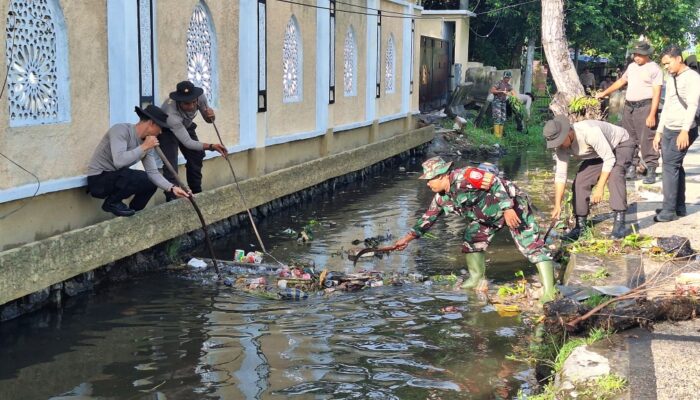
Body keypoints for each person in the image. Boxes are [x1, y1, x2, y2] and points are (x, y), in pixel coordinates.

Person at [393, 157, 557, 303]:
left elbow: (494, 181)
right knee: (472, 238)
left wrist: (508, 208)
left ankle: (549, 291)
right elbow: (427, 219)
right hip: (487, 216)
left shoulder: (467, 176)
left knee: (530, 245)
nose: (428, 184)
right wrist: (406, 240)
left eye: (430, 180)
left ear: (441, 175)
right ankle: (476, 278)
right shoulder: (442, 198)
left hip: (512, 206)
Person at [87, 105, 190, 217]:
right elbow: (119, 161)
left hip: (116, 178)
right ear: (151, 123)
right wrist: (144, 146)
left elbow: (153, 173)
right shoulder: (120, 130)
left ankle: (134, 213)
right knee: (137, 176)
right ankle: (111, 203)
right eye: (160, 127)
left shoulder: (147, 143)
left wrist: (172, 188)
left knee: (150, 183)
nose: (160, 132)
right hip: (98, 181)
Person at [543, 116, 634, 240]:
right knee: (580, 181)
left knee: (615, 175)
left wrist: (600, 187)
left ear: (569, 132)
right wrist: (557, 205)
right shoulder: (561, 147)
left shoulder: (589, 132)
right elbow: (560, 175)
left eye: (559, 141)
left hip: (620, 145)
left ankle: (620, 224)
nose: (558, 145)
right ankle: (580, 227)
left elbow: (609, 159)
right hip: (598, 153)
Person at [596, 41, 663, 184]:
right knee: (629, 138)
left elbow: (657, 93)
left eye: (640, 55)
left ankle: (651, 168)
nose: (636, 57)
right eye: (635, 55)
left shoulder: (654, 69)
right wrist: (604, 93)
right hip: (629, 107)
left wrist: (652, 114)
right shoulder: (632, 67)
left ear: (647, 55)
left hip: (645, 106)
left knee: (647, 138)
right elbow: (621, 81)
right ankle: (631, 166)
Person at [652, 45, 700, 222]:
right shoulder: (671, 77)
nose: (666, 67)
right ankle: (678, 207)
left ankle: (669, 210)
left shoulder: (693, 78)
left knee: (670, 166)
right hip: (669, 128)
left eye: (668, 63)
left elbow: (693, 105)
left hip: (684, 129)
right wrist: (659, 131)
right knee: (674, 166)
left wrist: (685, 130)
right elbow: (668, 106)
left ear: (678, 59)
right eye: (664, 64)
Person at [159, 81, 227, 201]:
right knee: (170, 165)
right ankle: (172, 198)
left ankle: (196, 193)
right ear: (179, 101)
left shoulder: (199, 97)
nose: (191, 106)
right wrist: (212, 146)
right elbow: (188, 143)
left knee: (197, 155)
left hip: (186, 126)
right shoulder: (170, 113)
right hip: (167, 130)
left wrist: (211, 116)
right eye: (186, 103)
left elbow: (209, 120)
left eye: (193, 102)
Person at [490, 71, 516, 138]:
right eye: (506, 77)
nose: (507, 79)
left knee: (503, 118)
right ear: (504, 77)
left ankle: (500, 135)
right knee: (497, 117)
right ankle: (496, 135)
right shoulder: (499, 83)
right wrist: (501, 91)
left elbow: (514, 93)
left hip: (503, 103)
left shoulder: (509, 85)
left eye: (509, 78)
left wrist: (509, 93)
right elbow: (492, 90)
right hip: (497, 102)